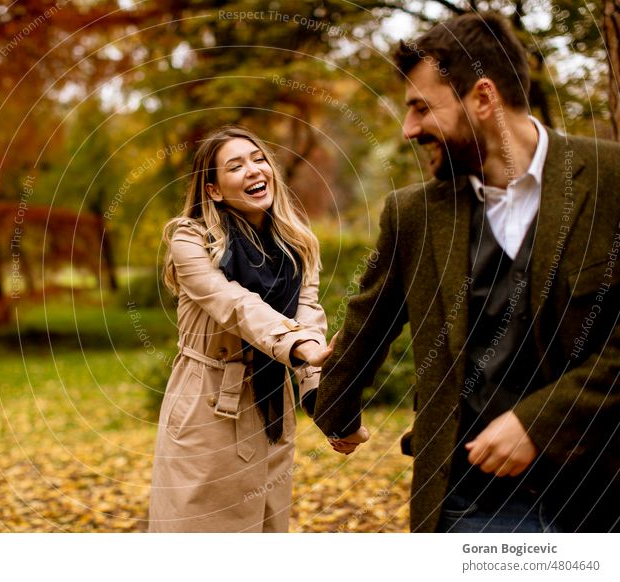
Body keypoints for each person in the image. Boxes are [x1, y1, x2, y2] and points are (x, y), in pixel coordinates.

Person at [314, 12, 620, 532]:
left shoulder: (612, 182)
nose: (409, 130)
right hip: (470, 503)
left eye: (420, 108)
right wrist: (333, 408)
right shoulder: (413, 214)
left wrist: (540, 423)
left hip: (599, 495)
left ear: (482, 98)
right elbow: (369, 324)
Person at [148, 126, 328, 532]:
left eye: (258, 158)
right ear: (212, 190)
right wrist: (298, 343)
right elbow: (234, 305)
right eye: (235, 166)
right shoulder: (190, 239)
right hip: (206, 405)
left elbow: (308, 313)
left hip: (270, 409)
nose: (252, 170)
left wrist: (324, 399)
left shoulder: (297, 246)